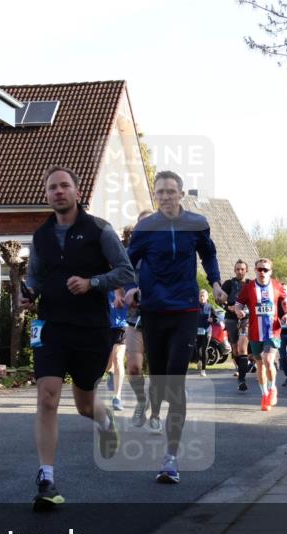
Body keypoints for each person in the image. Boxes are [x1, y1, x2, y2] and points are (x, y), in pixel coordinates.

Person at [21, 166, 134, 510]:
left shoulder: (99, 229)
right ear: (46, 194)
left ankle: (104, 418)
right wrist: (28, 294)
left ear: (76, 190)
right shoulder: (40, 236)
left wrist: (92, 283)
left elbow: (126, 271)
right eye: (52, 187)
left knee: (85, 403)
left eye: (64, 186)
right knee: (47, 398)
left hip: (90, 329)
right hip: (51, 326)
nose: (58, 191)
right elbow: (35, 277)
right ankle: (46, 477)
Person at [126, 171, 225, 484]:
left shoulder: (196, 223)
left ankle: (170, 458)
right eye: (160, 192)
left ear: (182, 193)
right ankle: (154, 410)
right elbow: (128, 261)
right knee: (158, 379)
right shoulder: (145, 227)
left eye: (171, 191)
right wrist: (129, 287)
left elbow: (208, 254)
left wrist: (217, 284)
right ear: (156, 196)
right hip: (153, 311)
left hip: (185, 309)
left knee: (175, 380)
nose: (166, 196)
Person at [234, 258, 287, 410]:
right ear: (255, 270)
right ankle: (264, 395)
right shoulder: (249, 287)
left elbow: (284, 300)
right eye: (259, 269)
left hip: (273, 330)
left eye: (265, 269)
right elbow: (239, 303)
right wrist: (238, 310)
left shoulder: (277, 286)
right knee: (259, 364)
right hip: (255, 332)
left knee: (268, 359)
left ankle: (272, 389)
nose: (262, 272)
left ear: (270, 271)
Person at [120, 218, 152, 427]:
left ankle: (155, 411)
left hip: (160, 316)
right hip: (135, 318)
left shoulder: (163, 252)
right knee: (133, 367)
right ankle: (142, 401)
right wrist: (121, 292)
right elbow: (118, 276)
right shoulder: (127, 254)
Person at [221, 259, 251, 391]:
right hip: (231, 319)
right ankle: (241, 369)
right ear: (234, 270)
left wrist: (245, 311)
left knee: (242, 347)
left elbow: (256, 302)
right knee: (235, 349)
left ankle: (242, 379)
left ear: (246, 270)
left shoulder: (251, 284)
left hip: (246, 319)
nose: (240, 271)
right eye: (237, 269)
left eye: (242, 269)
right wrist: (230, 308)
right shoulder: (228, 283)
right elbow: (219, 299)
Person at [105, 290, 127, 411]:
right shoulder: (105, 278)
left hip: (121, 326)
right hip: (105, 325)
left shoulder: (127, 279)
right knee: (106, 364)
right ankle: (111, 372)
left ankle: (117, 397)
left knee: (118, 359)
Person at [194, 289, 218, 377]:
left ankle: (203, 370)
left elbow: (216, 319)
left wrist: (212, 319)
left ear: (207, 297)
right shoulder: (195, 307)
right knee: (198, 349)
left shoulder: (210, 307)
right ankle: (200, 360)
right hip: (197, 330)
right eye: (200, 296)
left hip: (207, 331)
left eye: (203, 296)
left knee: (204, 349)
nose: (202, 297)